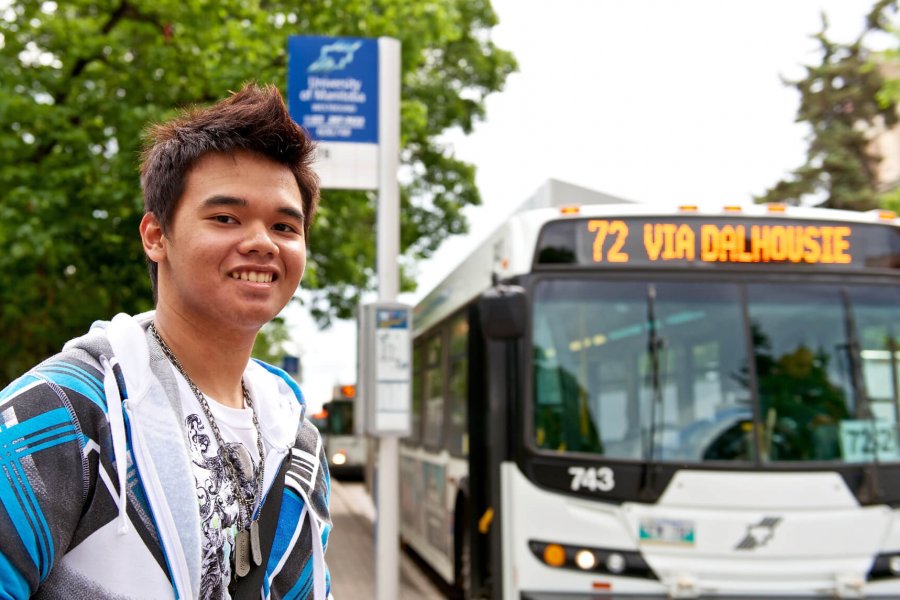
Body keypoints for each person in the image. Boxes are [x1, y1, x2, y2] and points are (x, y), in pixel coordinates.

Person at [0, 83, 332, 599]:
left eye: (285, 227)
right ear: (156, 236)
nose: (262, 243)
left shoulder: (299, 443)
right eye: (226, 217)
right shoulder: (67, 413)